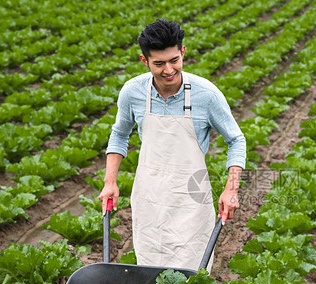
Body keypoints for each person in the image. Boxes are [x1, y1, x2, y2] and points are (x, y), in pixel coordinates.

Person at [98, 19, 246, 270]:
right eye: (159, 63)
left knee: (191, 276)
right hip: (150, 199)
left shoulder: (206, 95)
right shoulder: (132, 92)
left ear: (183, 52)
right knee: (150, 272)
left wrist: (231, 189)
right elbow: (120, 135)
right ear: (144, 61)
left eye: (174, 60)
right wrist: (109, 182)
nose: (168, 70)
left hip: (190, 202)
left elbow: (236, 140)